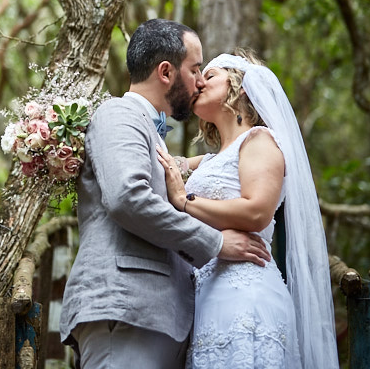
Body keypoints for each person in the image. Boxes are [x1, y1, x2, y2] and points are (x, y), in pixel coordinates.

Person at [59, 19, 272, 369]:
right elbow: (128, 198)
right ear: (165, 72)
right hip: (126, 309)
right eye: (195, 68)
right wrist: (216, 243)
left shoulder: (148, 130)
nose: (201, 80)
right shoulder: (119, 114)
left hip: (158, 318)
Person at [156, 49, 340, 369]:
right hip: (208, 294)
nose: (199, 83)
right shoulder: (213, 159)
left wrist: (185, 200)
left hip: (246, 293)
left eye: (209, 75)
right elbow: (166, 164)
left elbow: (257, 212)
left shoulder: (260, 140)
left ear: (240, 87)